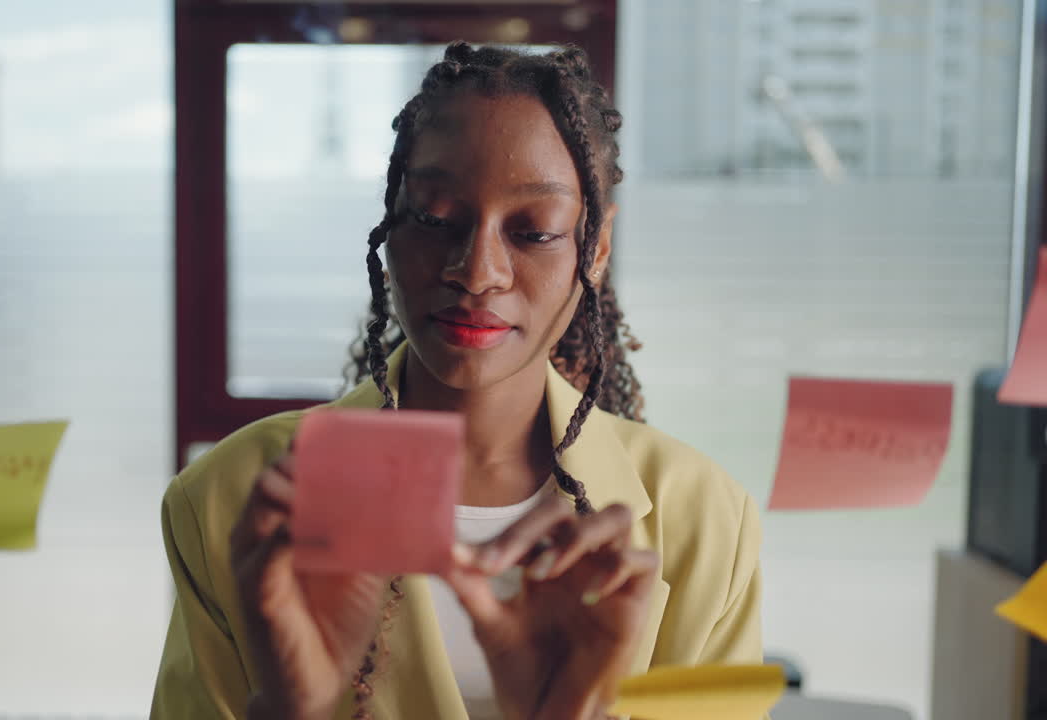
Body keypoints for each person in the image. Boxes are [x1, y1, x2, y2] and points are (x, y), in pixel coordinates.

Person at [151, 42, 762, 720]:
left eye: (533, 233)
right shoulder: (229, 499)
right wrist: (301, 709)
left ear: (598, 247)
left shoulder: (705, 520)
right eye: (436, 220)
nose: (478, 272)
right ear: (389, 229)